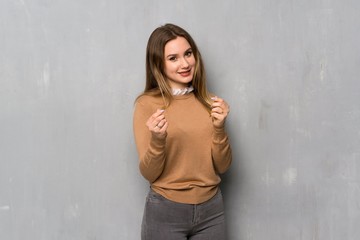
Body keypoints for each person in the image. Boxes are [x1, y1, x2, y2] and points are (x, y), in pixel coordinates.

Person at [133, 23, 232, 240]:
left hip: (212, 210)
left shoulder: (210, 102)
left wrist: (219, 128)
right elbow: (149, 173)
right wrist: (158, 140)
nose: (185, 63)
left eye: (188, 53)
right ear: (158, 64)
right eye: (173, 58)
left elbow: (223, 166)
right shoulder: (147, 105)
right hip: (166, 211)